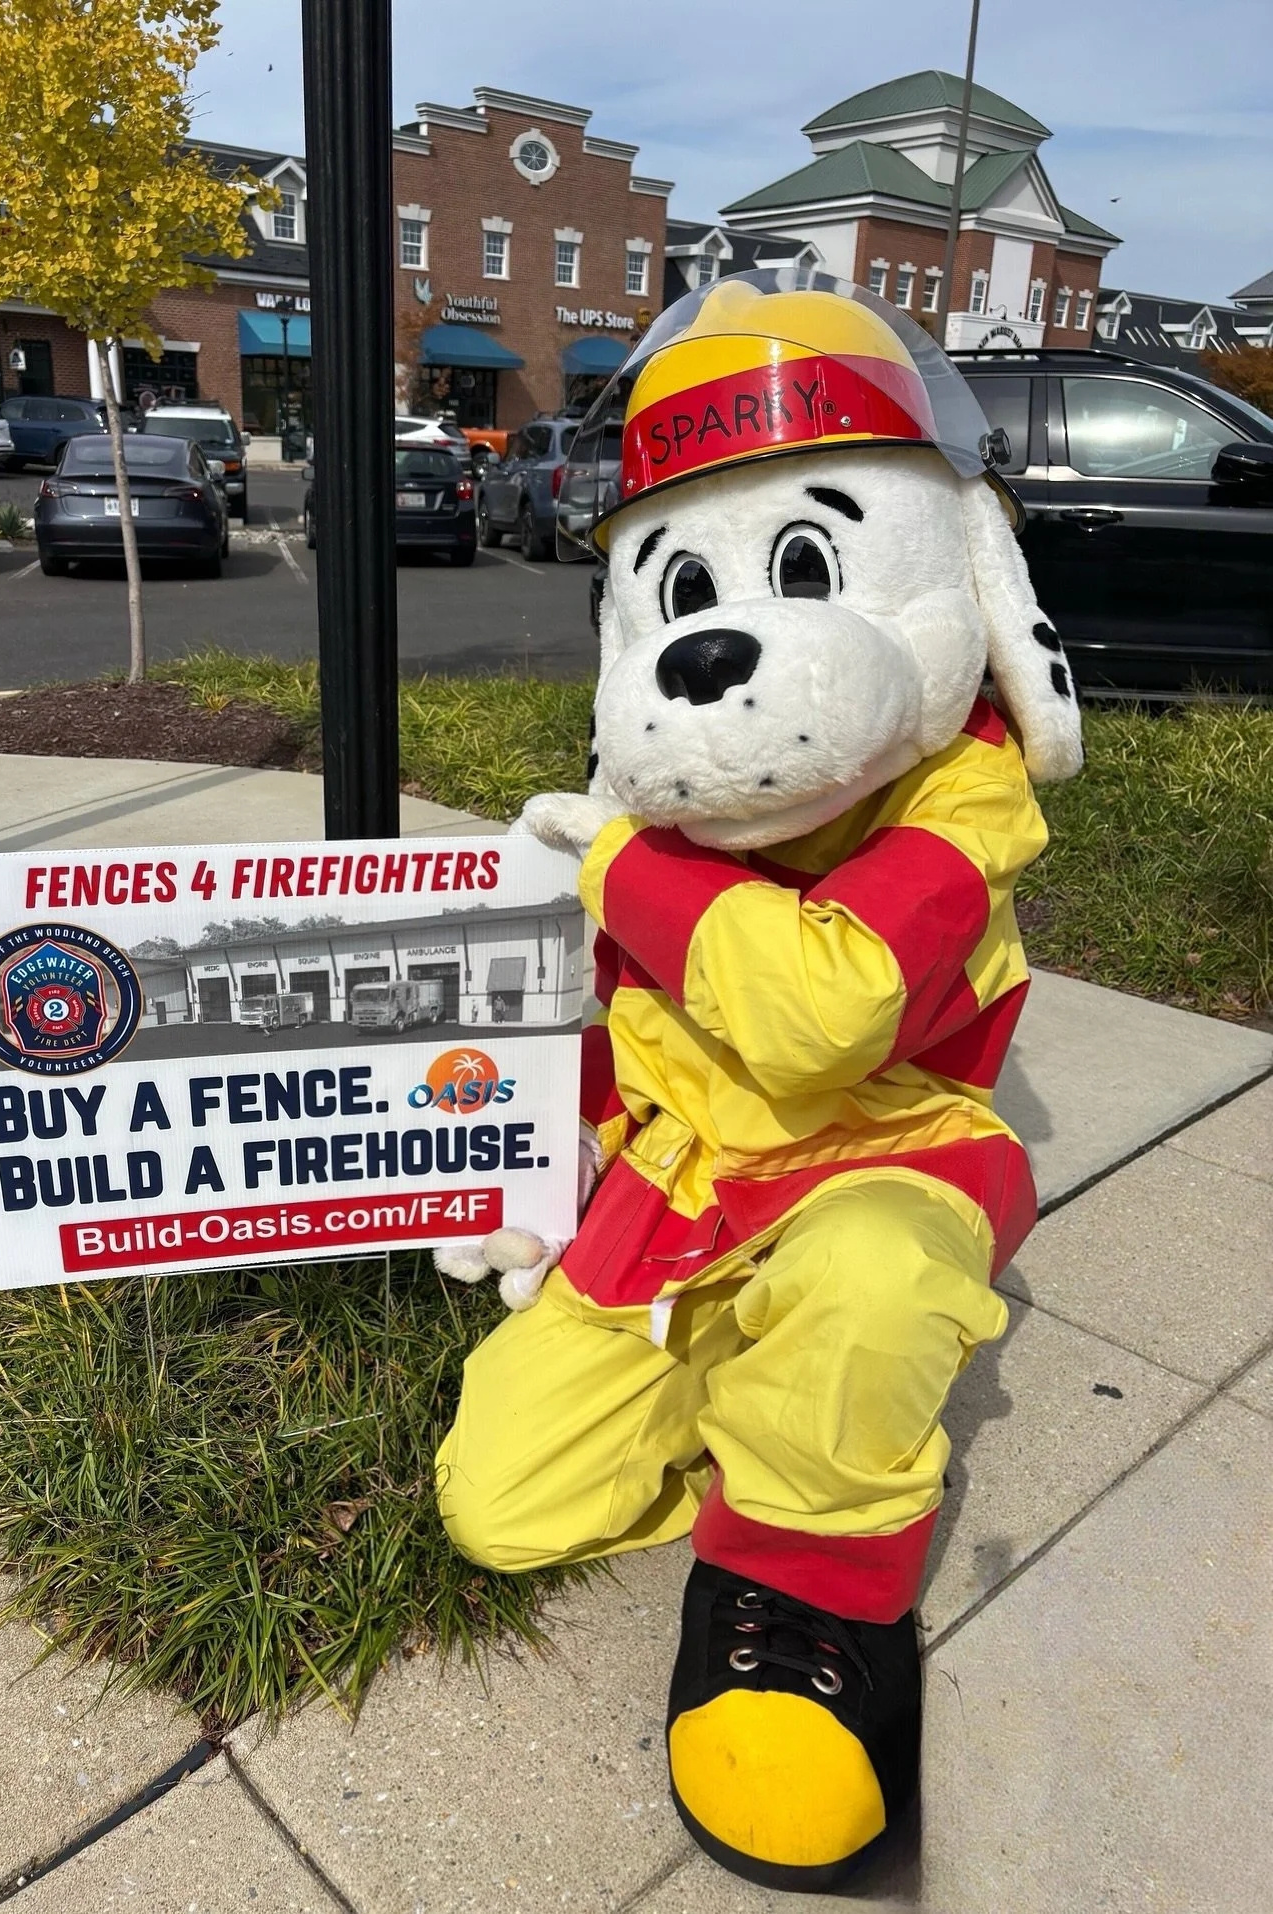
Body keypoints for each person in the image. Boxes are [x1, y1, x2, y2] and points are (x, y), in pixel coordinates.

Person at [435, 275, 1082, 1893]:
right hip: (687, 1194)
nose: (720, 647)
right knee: (495, 1504)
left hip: (881, 1165)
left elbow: (814, 1015)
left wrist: (614, 870)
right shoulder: (648, 837)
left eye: (808, 566)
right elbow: (621, 1031)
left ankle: (806, 1583)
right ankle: (752, 1413)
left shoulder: (959, 808)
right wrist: (530, 1179)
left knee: (863, 1286)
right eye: (683, 587)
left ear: (974, 581)